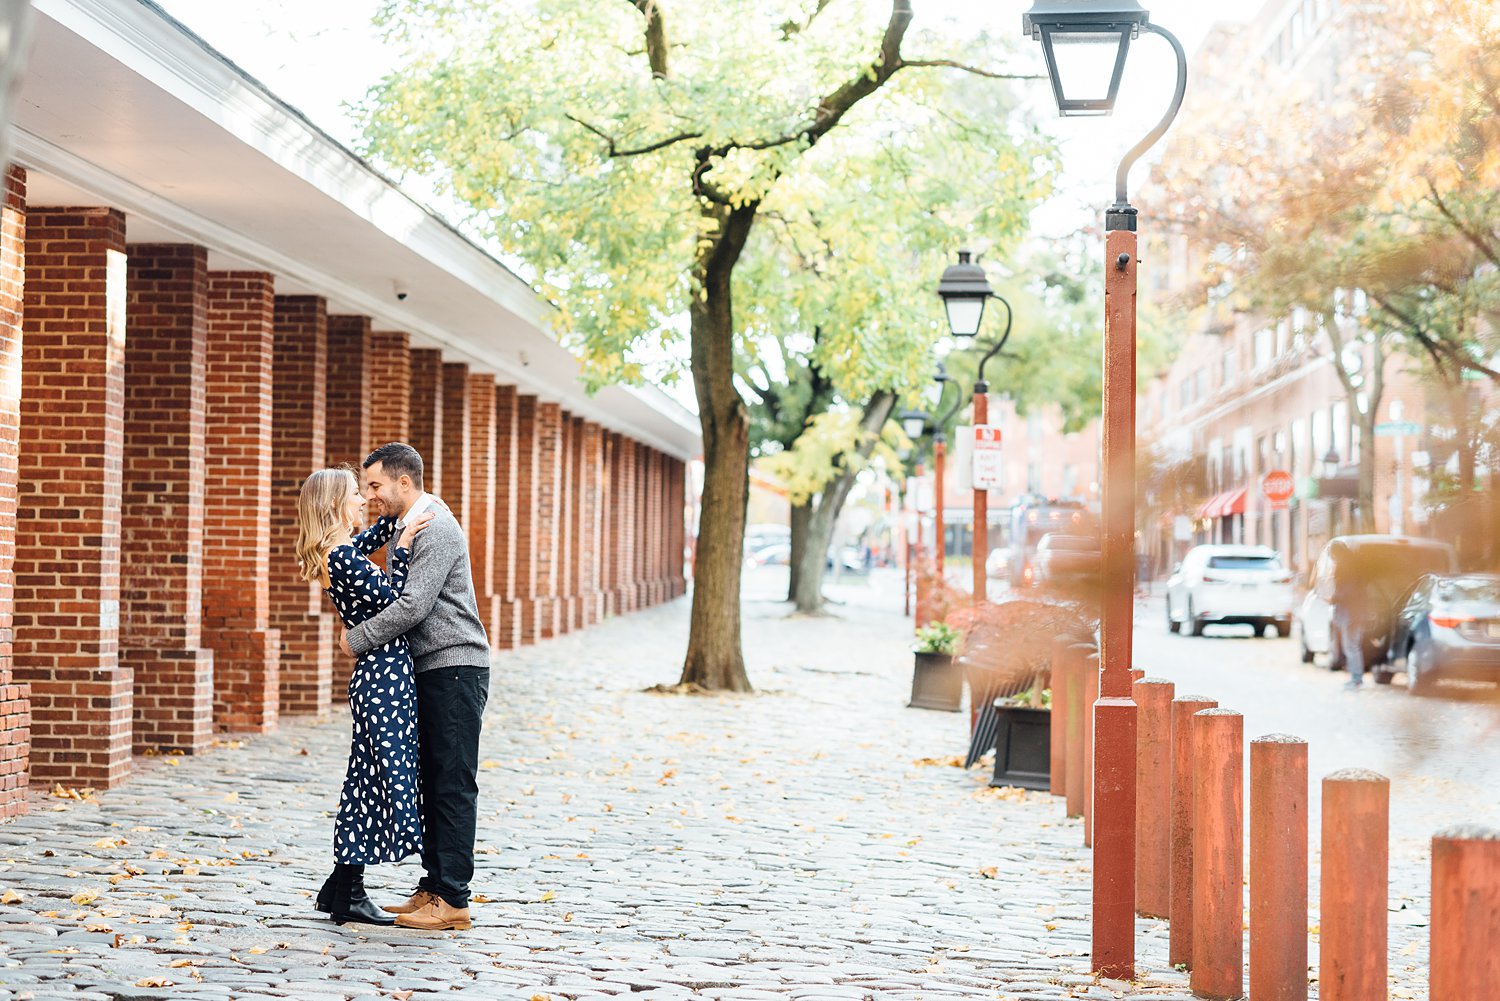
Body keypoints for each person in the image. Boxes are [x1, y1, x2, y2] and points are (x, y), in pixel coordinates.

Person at [339, 442, 490, 932]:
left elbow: (413, 605)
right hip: (430, 669)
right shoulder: (411, 523)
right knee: (433, 778)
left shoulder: (436, 528)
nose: (370, 495)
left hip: (455, 667)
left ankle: (453, 898)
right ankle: (433, 886)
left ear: (405, 483)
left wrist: (355, 640)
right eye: (364, 488)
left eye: (376, 486)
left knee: (452, 782)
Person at [294, 467, 432, 926]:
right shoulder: (342, 558)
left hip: (378, 675)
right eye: (356, 494)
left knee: (366, 779)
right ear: (336, 504)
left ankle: (340, 885)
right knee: (372, 784)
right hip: (384, 676)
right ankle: (348, 890)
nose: (363, 500)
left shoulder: (339, 552)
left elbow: (371, 535)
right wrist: (406, 548)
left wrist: (397, 523)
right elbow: (398, 600)